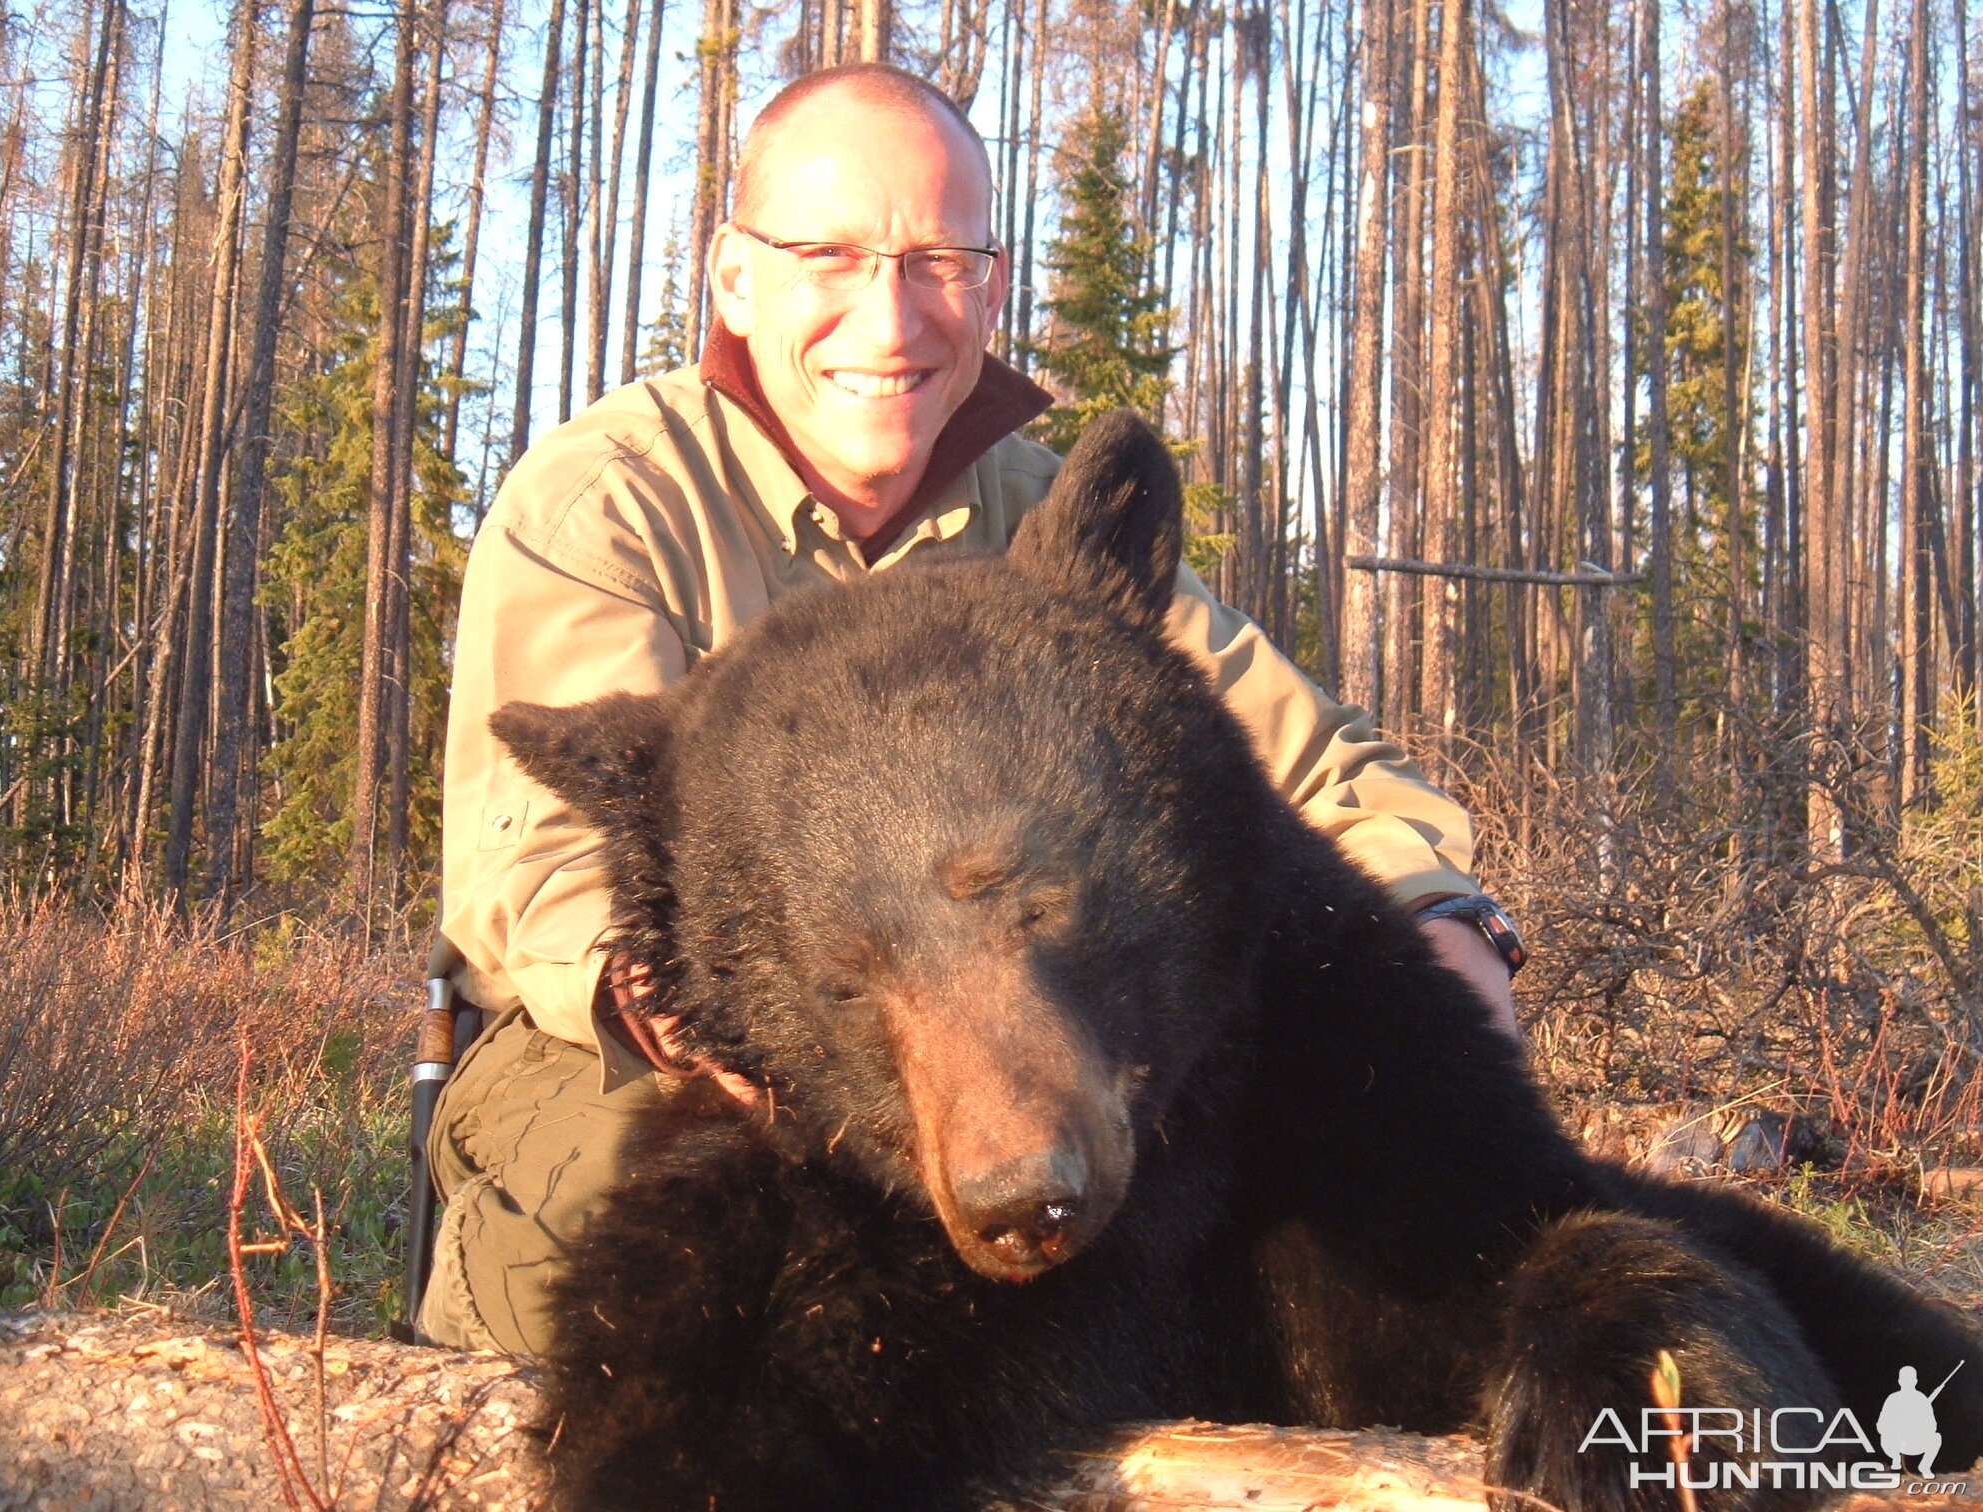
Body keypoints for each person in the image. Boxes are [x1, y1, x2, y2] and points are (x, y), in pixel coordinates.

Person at [418, 62, 1525, 1355]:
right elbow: (542, 872)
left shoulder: (1041, 541)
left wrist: (1440, 943)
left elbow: (1309, 778)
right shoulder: (609, 506)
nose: (889, 321)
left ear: (992, 288)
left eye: (938, 261)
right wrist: (781, 1049)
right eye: (828, 254)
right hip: (643, 1054)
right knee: (707, 1249)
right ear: (732, 278)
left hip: (1026, 1030)